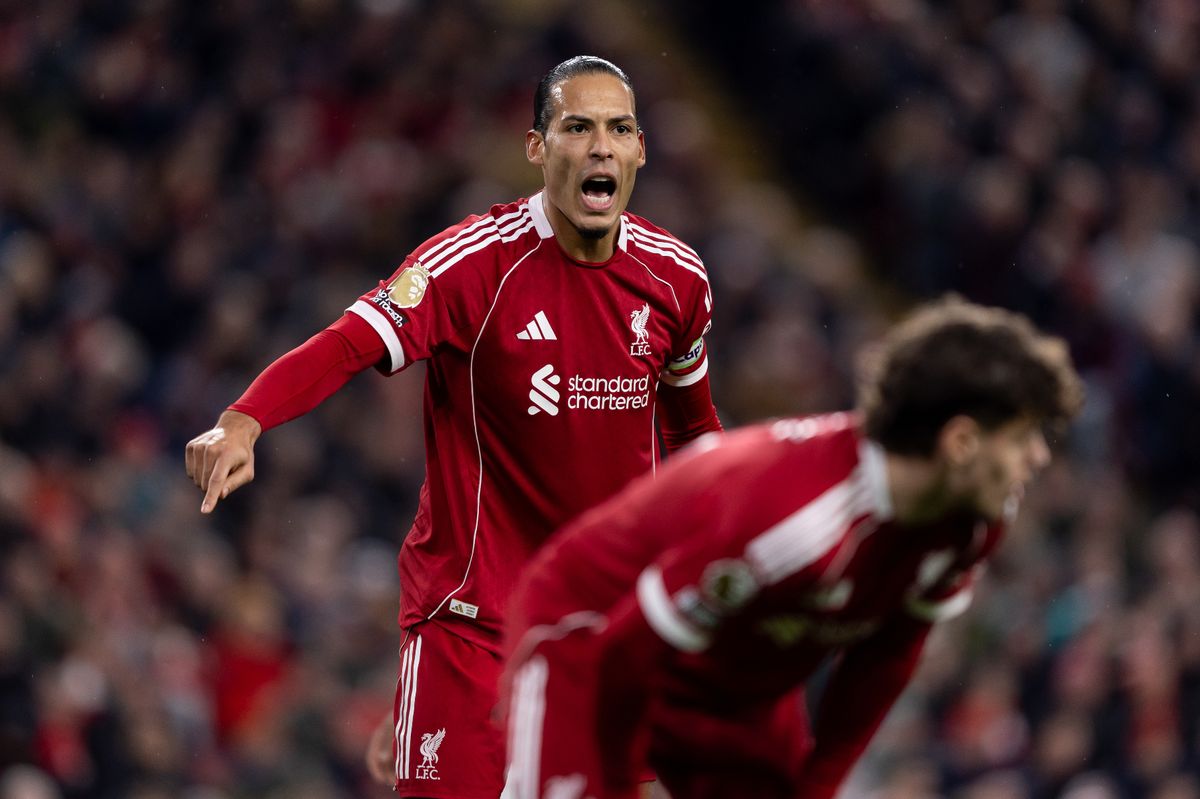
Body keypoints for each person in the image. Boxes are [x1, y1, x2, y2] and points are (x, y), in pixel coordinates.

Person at [184, 55, 721, 798]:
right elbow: (349, 341)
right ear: (538, 147)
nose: (600, 146)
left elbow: (699, 437)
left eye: (618, 129)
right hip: (473, 624)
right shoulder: (473, 264)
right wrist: (244, 421)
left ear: (639, 150)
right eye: (577, 127)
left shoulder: (677, 280)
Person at [502, 297, 1084, 799]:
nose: (1037, 459)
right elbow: (625, 656)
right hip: (592, 639)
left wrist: (815, 788)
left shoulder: (974, 522)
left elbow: (884, 661)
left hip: (735, 681)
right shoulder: (794, 521)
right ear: (960, 442)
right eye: (1022, 438)